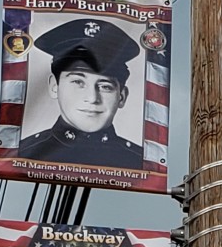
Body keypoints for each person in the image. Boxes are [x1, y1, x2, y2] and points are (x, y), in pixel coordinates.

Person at [18, 19, 143, 167]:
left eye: (105, 86)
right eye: (78, 82)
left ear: (121, 96)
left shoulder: (140, 163)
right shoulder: (23, 154)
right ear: (54, 86)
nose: (92, 98)